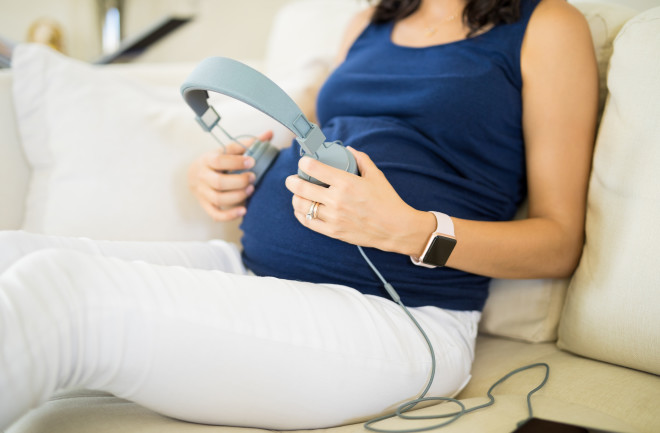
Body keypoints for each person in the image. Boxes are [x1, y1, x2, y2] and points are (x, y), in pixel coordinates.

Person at [0, 0, 597, 430]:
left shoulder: (545, 26)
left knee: (64, 297)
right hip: (251, 268)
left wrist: (409, 229)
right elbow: (315, 133)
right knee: (14, 256)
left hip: (403, 314)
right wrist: (229, 172)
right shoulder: (368, 23)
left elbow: (559, 241)